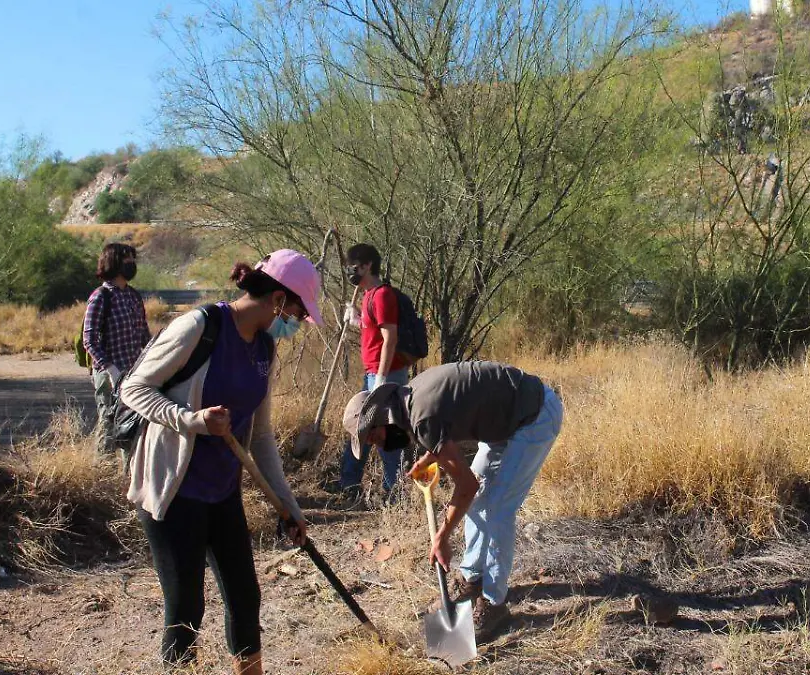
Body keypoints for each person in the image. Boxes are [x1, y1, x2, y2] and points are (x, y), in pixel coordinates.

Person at [120, 249, 324, 674]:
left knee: (245, 598)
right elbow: (134, 388)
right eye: (299, 312)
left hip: (222, 490)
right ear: (279, 300)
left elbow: (262, 438)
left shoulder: (266, 349)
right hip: (173, 490)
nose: (298, 323)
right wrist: (191, 420)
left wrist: (288, 506)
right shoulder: (201, 326)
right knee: (186, 607)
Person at [341, 361, 564, 640]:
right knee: (482, 501)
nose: (377, 445)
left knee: (496, 509)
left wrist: (442, 536)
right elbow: (447, 421)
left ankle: (494, 602)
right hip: (504, 423)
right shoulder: (408, 400)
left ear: (381, 420)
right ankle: (471, 579)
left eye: (373, 438)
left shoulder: (421, 417)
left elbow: (466, 485)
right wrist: (429, 456)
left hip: (534, 415)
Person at [334, 243, 411, 505]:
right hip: (373, 373)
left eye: (353, 266)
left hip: (386, 376)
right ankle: (349, 484)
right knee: (362, 430)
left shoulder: (382, 295)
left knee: (386, 434)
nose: (349, 271)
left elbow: (390, 338)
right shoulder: (368, 295)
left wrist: (381, 377)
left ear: (367, 265)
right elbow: (374, 332)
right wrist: (355, 320)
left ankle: (395, 494)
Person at [82, 242, 150, 456]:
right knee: (108, 424)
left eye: (133, 259)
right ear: (114, 262)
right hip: (109, 374)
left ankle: (125, 476)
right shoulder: (101, 296)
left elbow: (144, 337)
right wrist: (111, 369)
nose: (132, 263)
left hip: (132, 373)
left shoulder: (133, 296)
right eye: (127, 259)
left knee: (130, 427)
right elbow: (89, 340)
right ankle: (100, 475)